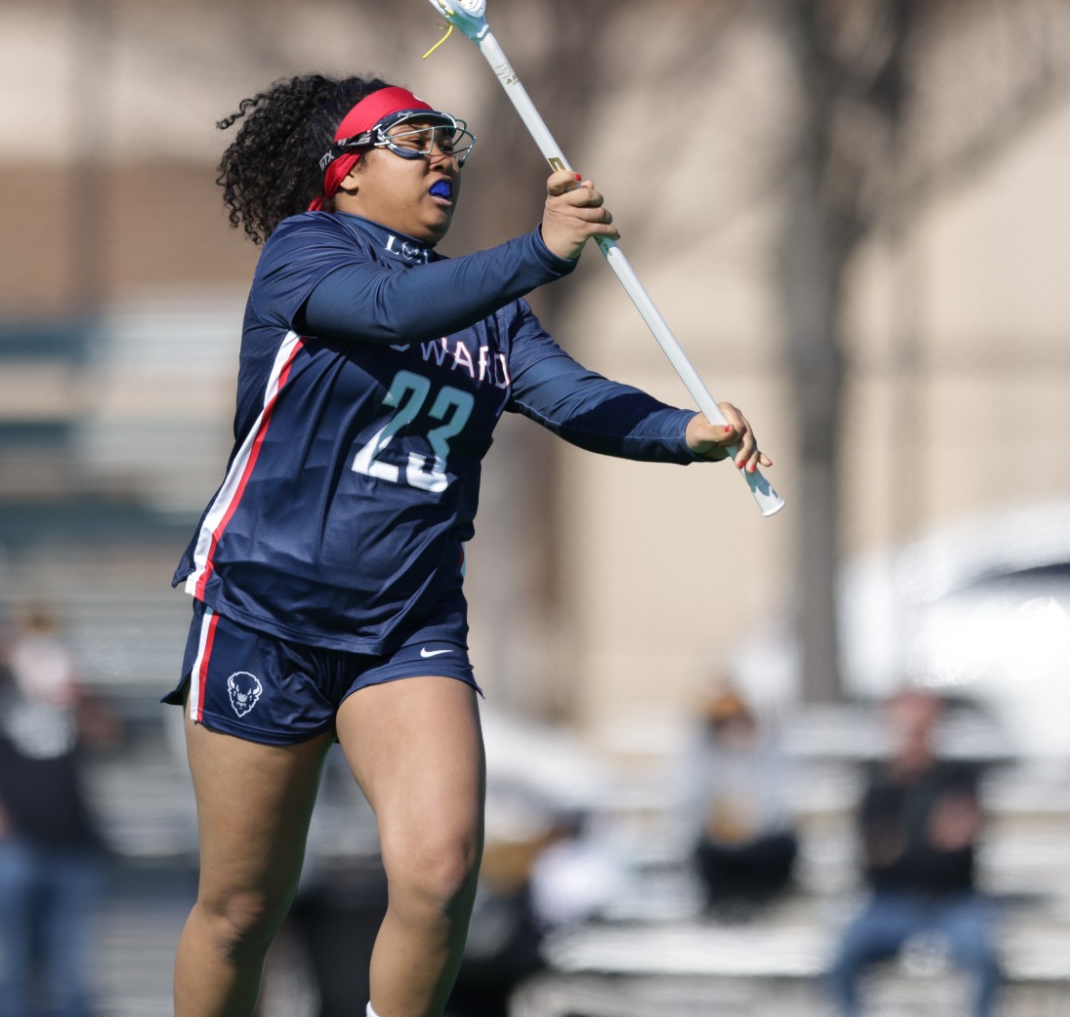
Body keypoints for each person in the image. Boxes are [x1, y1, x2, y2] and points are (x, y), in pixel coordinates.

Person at [163, 74, 770, 1017]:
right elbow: (389, 311)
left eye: (449, 141)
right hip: (264, 611)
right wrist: (540, 250)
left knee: (442, 872)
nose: (442, 156)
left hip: (407, 626)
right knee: (243, 909)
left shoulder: (492, 310)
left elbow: (572, 399)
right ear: (346, 171)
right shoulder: (304, 250)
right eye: (414, 141)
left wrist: (682, 432)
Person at [0, 607, 113, 1017]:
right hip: (11, 850)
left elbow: (111, 736)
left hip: (74, 847)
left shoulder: (73, 693)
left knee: (71, 974)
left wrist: (78, 696)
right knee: (10, 969)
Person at [827, 689, 1000, 1017]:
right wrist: (928, 840)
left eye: (922, 728)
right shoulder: (876, 782)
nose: (914, 739)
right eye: (907, 729)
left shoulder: (961, 777)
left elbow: (957, 847)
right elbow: (874, 856)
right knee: (845, 953)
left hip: (954, 902)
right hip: (889, 902)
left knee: (984, 956)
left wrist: (903, 844)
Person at [683, 683, 798, 919]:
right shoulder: (707, 762)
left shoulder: (768, 759)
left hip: (760, 844)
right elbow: (694, 806)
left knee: (781, 847)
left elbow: (779, 806)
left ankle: (761, 900)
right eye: (727, 723)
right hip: (720, 846)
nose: (735, 729)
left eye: (740, 722)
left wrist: (751, 824)